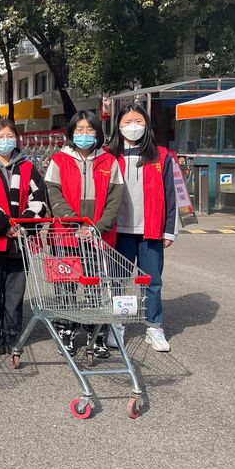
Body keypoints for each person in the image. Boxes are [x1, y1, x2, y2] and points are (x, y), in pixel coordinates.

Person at [44, 110, 124, 358]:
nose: (85, 134)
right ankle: (65, 332)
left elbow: (114, 201)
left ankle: (96, 334)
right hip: (65, 237)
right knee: (65, 288)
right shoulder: (59, 160)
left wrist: (97, 227)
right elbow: (53, 195)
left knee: (96, 289)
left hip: (97, 238)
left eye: (90, 129)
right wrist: (75, 222)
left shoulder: (109, 162)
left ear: (98, 133)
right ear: (71, 133)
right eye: (79, 129)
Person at [0, 118, 47, 354]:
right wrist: (4, 226)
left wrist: (23, 225)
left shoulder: (27, 167)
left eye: (10, 136)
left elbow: (39, 199)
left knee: (15, 290)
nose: (5, 140)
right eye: (0, 136)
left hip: (20, 240)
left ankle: (12, 332)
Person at [106, 103, 177, 352]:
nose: (133, 126)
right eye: (127, 122)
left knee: (152, 280)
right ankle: (117, 325)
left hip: (151, 231)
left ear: (147, 125)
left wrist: (169, 229)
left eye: (138, 121)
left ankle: (154, 327)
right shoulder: (108, 155)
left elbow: (171, 195)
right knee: (117, 280)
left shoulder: (161, 156)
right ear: (118, 126)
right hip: (119, 231)